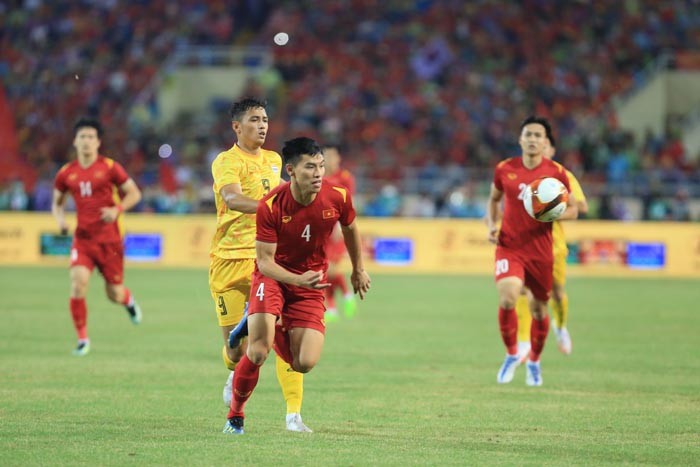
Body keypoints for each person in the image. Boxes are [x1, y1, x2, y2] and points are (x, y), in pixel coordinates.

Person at [224, 137, 371, 435]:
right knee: (258, 352)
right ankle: (235, 416)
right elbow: (264, 262)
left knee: (303, 362)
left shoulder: (338, 196)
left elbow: (351, 227)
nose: (318, 173)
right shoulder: (271, 205)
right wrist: (296, 279)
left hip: (310, 283)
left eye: (320, 166)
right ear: (290, 170)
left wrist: (359, 269)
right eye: (310, 167)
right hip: (273, 277)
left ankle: (260, 320)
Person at [209, 98, 310, 432]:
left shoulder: (274, 159)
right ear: (237, 127)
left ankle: (293, 415)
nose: (263, 125)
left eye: (265, 119)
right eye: (255, 119)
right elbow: (233, 199)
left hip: (265, 260)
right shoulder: (227, 161)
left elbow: (284, 195)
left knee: (281, 336)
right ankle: (232, 367)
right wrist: (273, 209)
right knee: (235, 352)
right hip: (228, 259)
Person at [485, 116, 578, 387]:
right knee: (508, 296)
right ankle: (512, 353)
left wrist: (555, 213)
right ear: (520, 139)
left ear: (545, 142)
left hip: (540, 251)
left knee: (539, 310)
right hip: (510, 246)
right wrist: (492, 225)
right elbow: (493, 199)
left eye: (539, 135)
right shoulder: (505, 169)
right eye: (529, 134)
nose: (533, 139)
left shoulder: (557, 173)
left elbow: (573, 208)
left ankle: (535, 361)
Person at [52, 117, 143, 356]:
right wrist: (60, 221)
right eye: (82, 137)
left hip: (110, 241)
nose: (86, 141)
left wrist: (116, 210)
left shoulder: (110, 167)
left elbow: (134, 194)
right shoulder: (66, 173)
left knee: (114, 293)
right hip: (82, 240)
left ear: (98, 142)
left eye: (91, 137)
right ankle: (83, 340)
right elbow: (57, 203)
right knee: (78, 284)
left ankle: (128, 300)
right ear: (75, 141)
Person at [514, 136, 588, 361]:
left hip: (553, 247)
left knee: (556, 293)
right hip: (525, 245)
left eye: (545, 145)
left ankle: (561, 327)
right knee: (522, 290)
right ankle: (523, 343)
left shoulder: (561, 176)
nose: (540, 149)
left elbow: (581, 206)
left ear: (552, 150)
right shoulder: (520, 175)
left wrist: (552, 209)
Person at [320, 144, 357, 322]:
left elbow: (348, 204)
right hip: (321, 228)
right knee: (322, 268)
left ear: (338, 159)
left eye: (332, 156)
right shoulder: (319, 177)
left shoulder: (345, 177)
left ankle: (346, 295)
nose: (329, 160)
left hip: (337, 228)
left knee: (330, 267)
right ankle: (332, 307)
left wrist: (339, 225)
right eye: (325, 156)